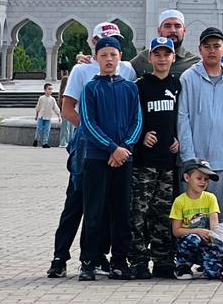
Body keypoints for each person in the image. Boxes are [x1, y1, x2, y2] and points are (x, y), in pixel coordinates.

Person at [48, 22, 137, 279]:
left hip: (119, 150)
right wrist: (98, 137)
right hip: (89, 147)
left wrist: (120, 147)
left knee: (112, 206)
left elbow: (134, 112)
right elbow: (68, 109)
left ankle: (101, 257)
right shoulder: (82, 71)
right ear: (94, 45)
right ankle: (60, 258)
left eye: (114, 46)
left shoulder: (127, 71)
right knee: (79, 202)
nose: (108, 55)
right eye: (102, 45)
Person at [78, 36, 143, 281]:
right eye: (103, 55)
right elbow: (88, 123)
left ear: (120, 57)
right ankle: (89, 261)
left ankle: (119, 261)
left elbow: (137, 121)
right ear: (96, 58)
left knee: (121, 211)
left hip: (124, 159)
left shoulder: (130, 88)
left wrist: (124, 148)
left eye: (113, 55)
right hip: (97, 159)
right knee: (94, 211)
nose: (108, 59)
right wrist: (111, 148)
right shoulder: (91, 88)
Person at [177, 26, 223, 207]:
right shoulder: (188, 78)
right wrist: (189, 158)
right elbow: (183, 120)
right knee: (191, 214)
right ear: (200, 49)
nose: (212, 50)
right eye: (207, 46)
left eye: (216, 46)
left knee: (221, 213)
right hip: (195, 160)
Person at [129, 36, 182, 280]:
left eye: (166, 54)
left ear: (173, 57)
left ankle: (163, 260)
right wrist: (142, 136)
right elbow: (131, 118)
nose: (162, 59)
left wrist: (178, 138)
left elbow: (182, 117)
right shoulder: (140, 86)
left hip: (167, 162)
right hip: (144, 163)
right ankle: (139, 260)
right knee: (139, 213)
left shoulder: (177, 85)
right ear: (150, 57)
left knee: (163, 212)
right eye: (157, 54)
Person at [171, 160, 223, 279]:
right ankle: (183, 265)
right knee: (194, 238)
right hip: (188, 242)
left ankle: (207, 265)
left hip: (206, 242)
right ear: (187, 178)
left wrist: (222, 233)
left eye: (206, 179)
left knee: (214, 274)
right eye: (199, 178)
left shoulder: (211, 198)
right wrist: (198, 231)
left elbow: (214, 224)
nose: (203, 182)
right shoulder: (180, 201)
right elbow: (176, 230)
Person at [130, 9, 200, 76]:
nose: (173, 30)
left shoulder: (194, 63)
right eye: (167, 26)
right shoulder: (143, 58)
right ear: (159, 31)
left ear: (184, 31)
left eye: (177, 26)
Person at [34, 83, 60, 149]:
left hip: (48, 117)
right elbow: (38, 107)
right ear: (45, 90)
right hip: (41, 116)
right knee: (39, 129)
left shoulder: (52, 99)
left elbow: (55, 108)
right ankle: (36, 139)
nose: (50, 91)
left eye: (51, 89)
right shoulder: (41, 98)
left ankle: (45, 143)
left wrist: (59, 116)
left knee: (47, 130)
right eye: (49, 89)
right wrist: (36, 115)